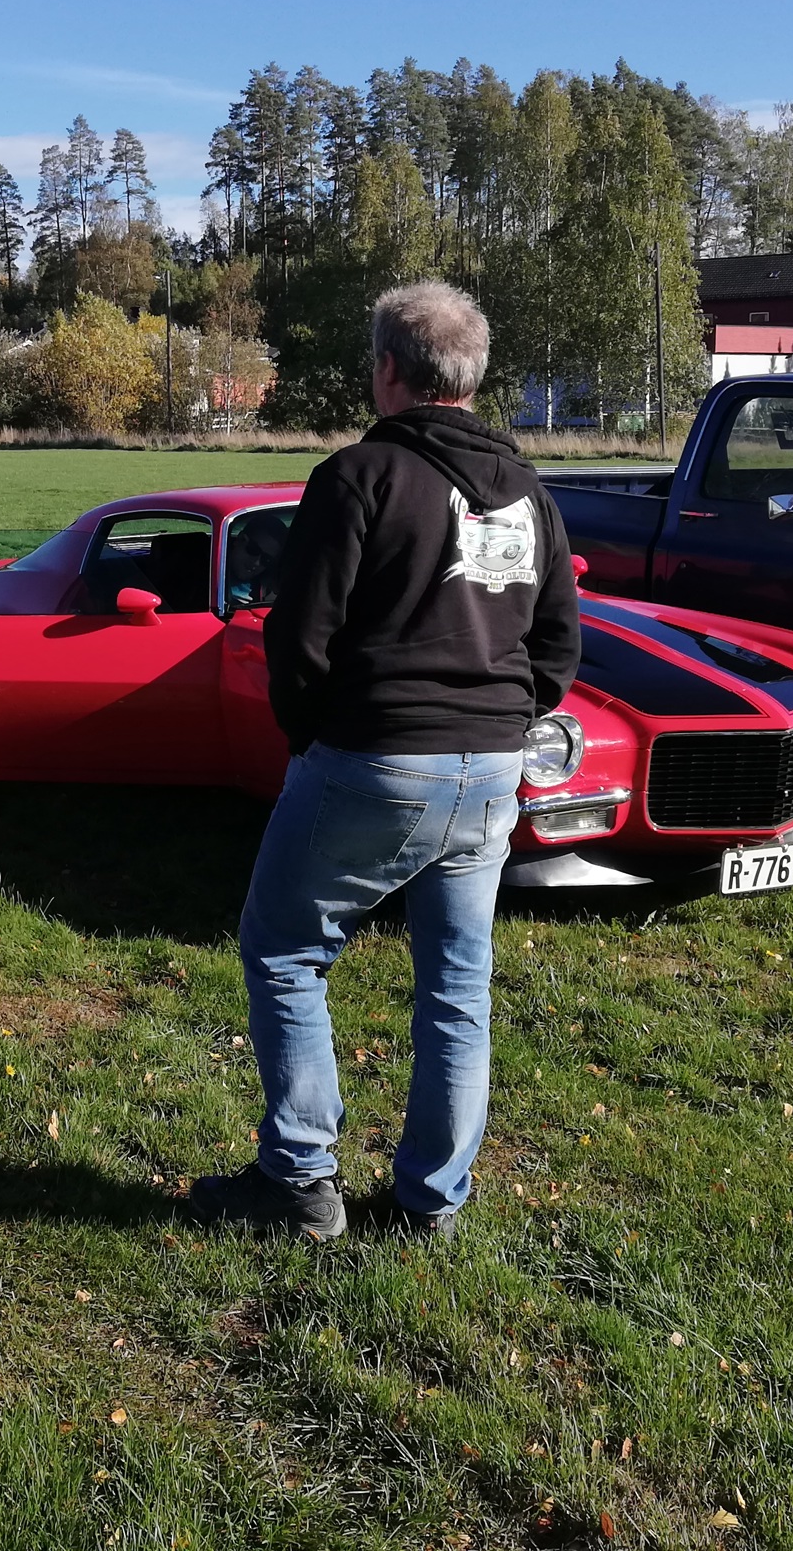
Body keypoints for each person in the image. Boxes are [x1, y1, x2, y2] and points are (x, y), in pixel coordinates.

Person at [186, 283, 579, 1241]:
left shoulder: (358, 475)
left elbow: (300, 639)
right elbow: (558, 647)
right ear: (472, 376)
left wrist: (311, 736)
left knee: (285, 950)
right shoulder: (529, 492)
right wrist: (501, 718)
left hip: (375, 758)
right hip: (493, 769)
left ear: (388, 370)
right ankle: (432, 1202)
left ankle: (298, 1180)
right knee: (458, 988)